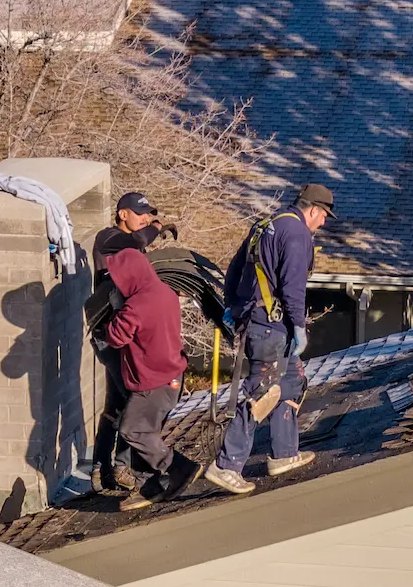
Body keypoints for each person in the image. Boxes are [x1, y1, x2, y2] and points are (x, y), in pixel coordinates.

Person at [204, 183, 334, 496]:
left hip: (257, 322)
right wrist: (299, 325)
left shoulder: (265, 226)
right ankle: (227, 465)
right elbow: (293, 286)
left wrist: (233, 308)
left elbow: (234, 270)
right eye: (324, 215)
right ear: (313, 209)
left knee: (290, 383)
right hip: (272, 327)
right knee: (261, 394)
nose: (324, 223)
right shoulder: (298, 234)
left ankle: (285, 454)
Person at [102, 246, 199, 510]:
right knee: (145, 432)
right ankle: (149, 487)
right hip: (172, 375)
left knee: (132, 430)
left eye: (118, 278)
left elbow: (115, 336)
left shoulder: (135, 306)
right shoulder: (165, 292)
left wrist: (117, 310)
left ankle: (179, 468)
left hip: (152, 382)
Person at [88, 191, 164, 493]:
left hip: (124, 333)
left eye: (148, 213)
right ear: (122, 214)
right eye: (139, 213)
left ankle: (102, 469)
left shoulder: (128, 245)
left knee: (118, 404)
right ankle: (123, 468)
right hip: (110, 334)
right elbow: (137, 243)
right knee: (137, 398)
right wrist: (157, 229)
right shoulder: (108, 238)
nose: (145, 218)